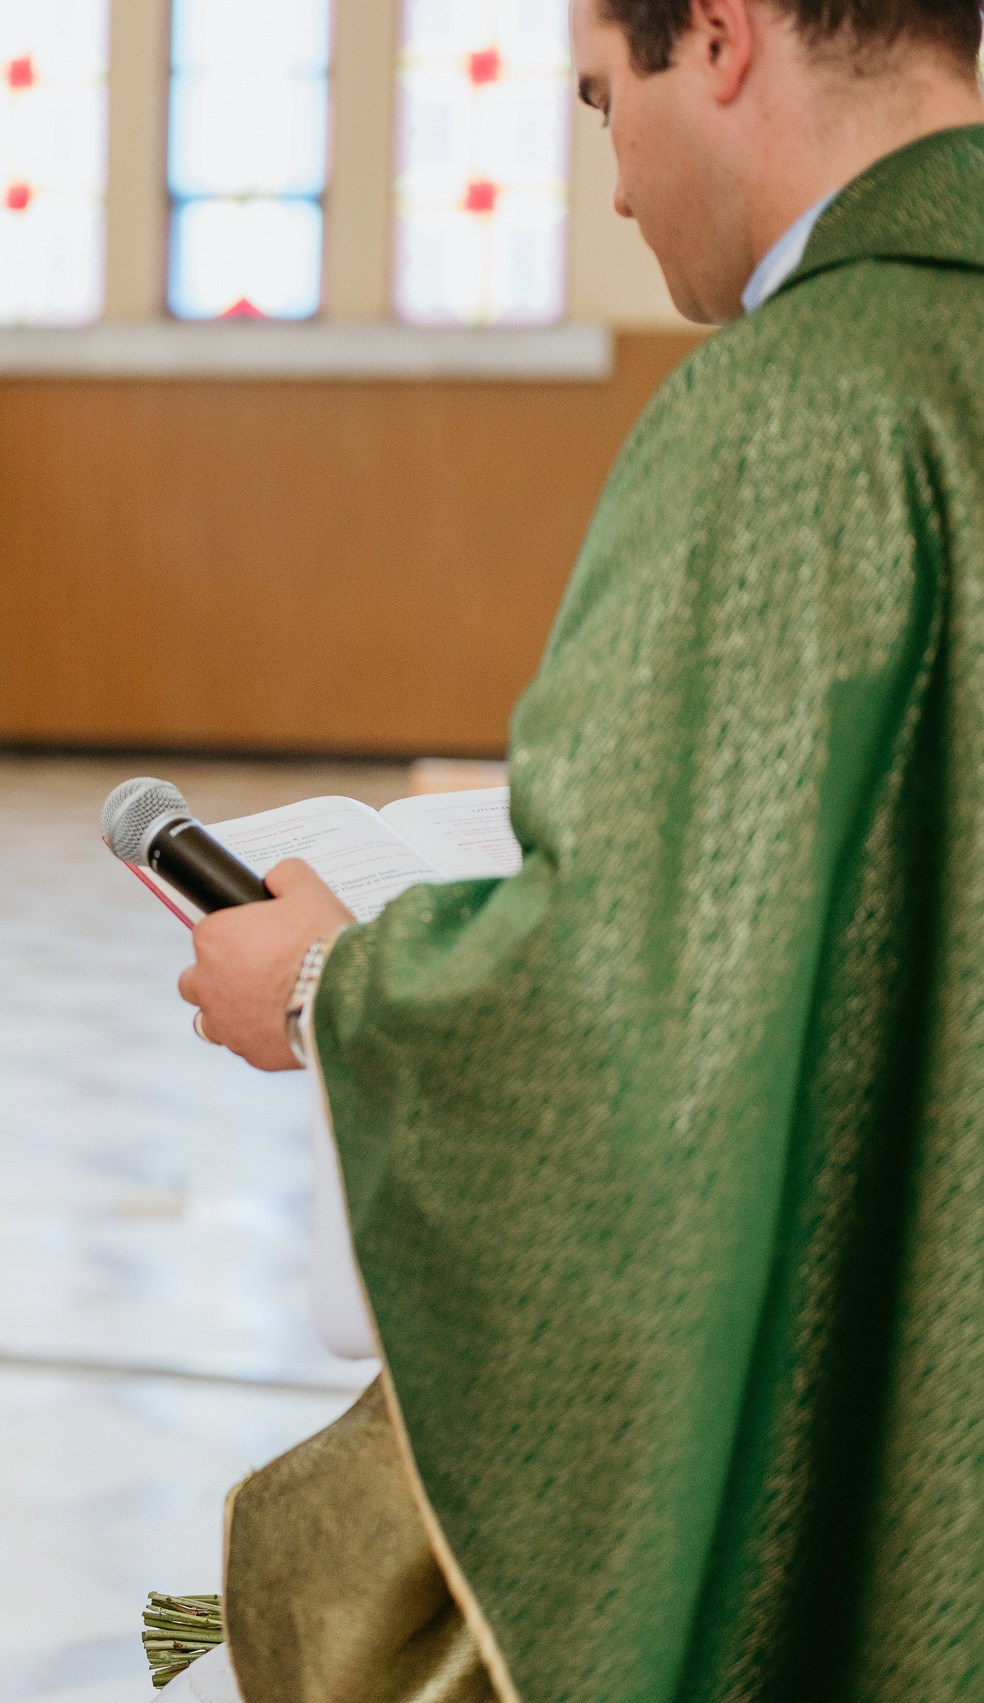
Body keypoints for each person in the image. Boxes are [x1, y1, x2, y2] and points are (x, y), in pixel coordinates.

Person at [173, 2, 984, 1700]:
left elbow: (625, 1009)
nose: (610, 182)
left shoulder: (796, 416)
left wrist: (325, 979)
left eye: (603, 98)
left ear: (721, 34)